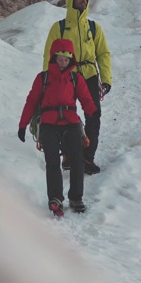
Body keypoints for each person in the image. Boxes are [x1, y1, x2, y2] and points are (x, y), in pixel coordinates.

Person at [18, 38, 97, 216]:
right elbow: (31, 101)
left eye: (66, 60)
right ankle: (55, 198)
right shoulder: (43, 78)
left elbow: (85, 98)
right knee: (52, 162)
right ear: (54, 58)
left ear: (71, 60)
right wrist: (22, 125)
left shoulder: (75, 79)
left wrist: (92, 111)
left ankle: (76, 197)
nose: (63, 63)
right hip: (48, 124)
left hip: (70, 122)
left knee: (77, 160)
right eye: (60, 59)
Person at [42, 0, 111, 175]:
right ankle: (69, 156)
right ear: (71, 0)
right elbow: (50, 54)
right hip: (66, 77)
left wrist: (106, 79)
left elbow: (103, 54)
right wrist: (48, 80)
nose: (83, 1)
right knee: (63, 116)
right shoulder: (59, 27)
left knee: (93, 116)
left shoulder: (93, 28)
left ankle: (87, 157)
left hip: (88, 75)